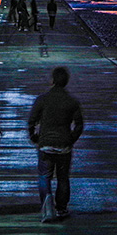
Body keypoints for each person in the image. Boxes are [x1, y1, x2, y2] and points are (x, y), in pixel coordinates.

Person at [28, 67, 84, 222]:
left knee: (44, 176)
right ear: (66, 82)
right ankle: (61, 208)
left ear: (52, 80)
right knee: (63, 177)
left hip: (46, 144)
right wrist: (71, 139)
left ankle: (47, 207)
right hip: (64, 145)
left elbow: (32, 121)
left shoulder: (42, 99)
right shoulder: (72, 101)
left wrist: (34, 137)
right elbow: (79, 124)